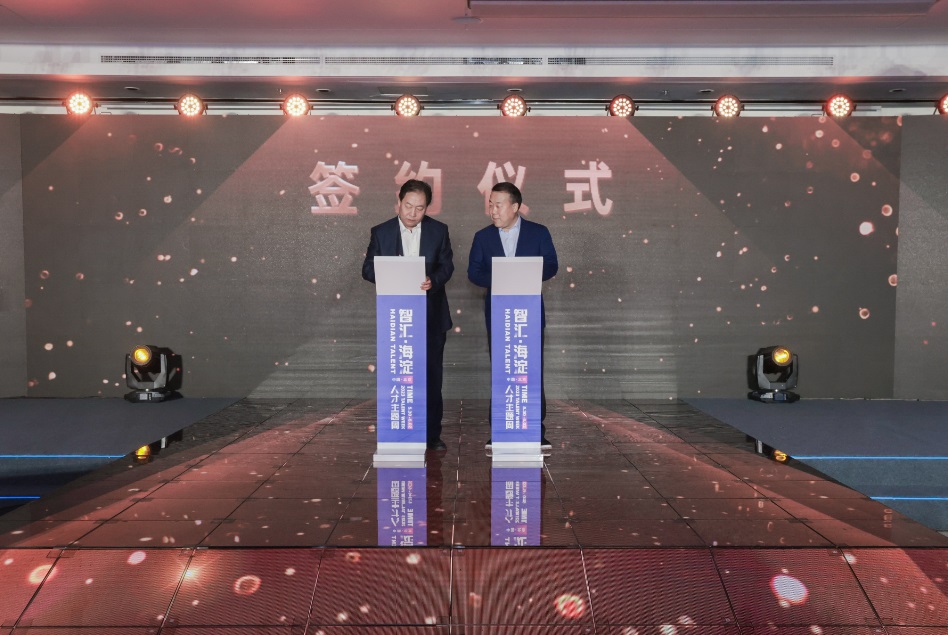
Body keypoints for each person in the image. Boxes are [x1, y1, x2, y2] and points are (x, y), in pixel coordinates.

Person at [362, 179, 454, 450]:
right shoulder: (381, 232)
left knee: (431, 377)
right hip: (395, 319)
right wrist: (392, 273)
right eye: (408, 206)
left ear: (428, 208)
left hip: (431, 316)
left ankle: (432, 435)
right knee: (398, 378)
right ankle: (398, 430)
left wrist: (433, 281)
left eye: (420, 208)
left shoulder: (439, 231)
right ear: (399, 202)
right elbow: (367, 269)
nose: (413, 213)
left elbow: (447, 266)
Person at [467, 181, 558, 449]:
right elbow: (474, 273)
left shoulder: (538, 233)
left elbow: (551, 265)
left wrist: (524, 274)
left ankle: (535, 430)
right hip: (499, 315)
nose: (493, 211)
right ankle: (500, 429)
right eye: (490, 205)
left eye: (499, 205)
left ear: (515, 206)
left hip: (529, 314)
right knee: (502, 372)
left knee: (532, 371)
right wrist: (504, 277)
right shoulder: (483, 237)